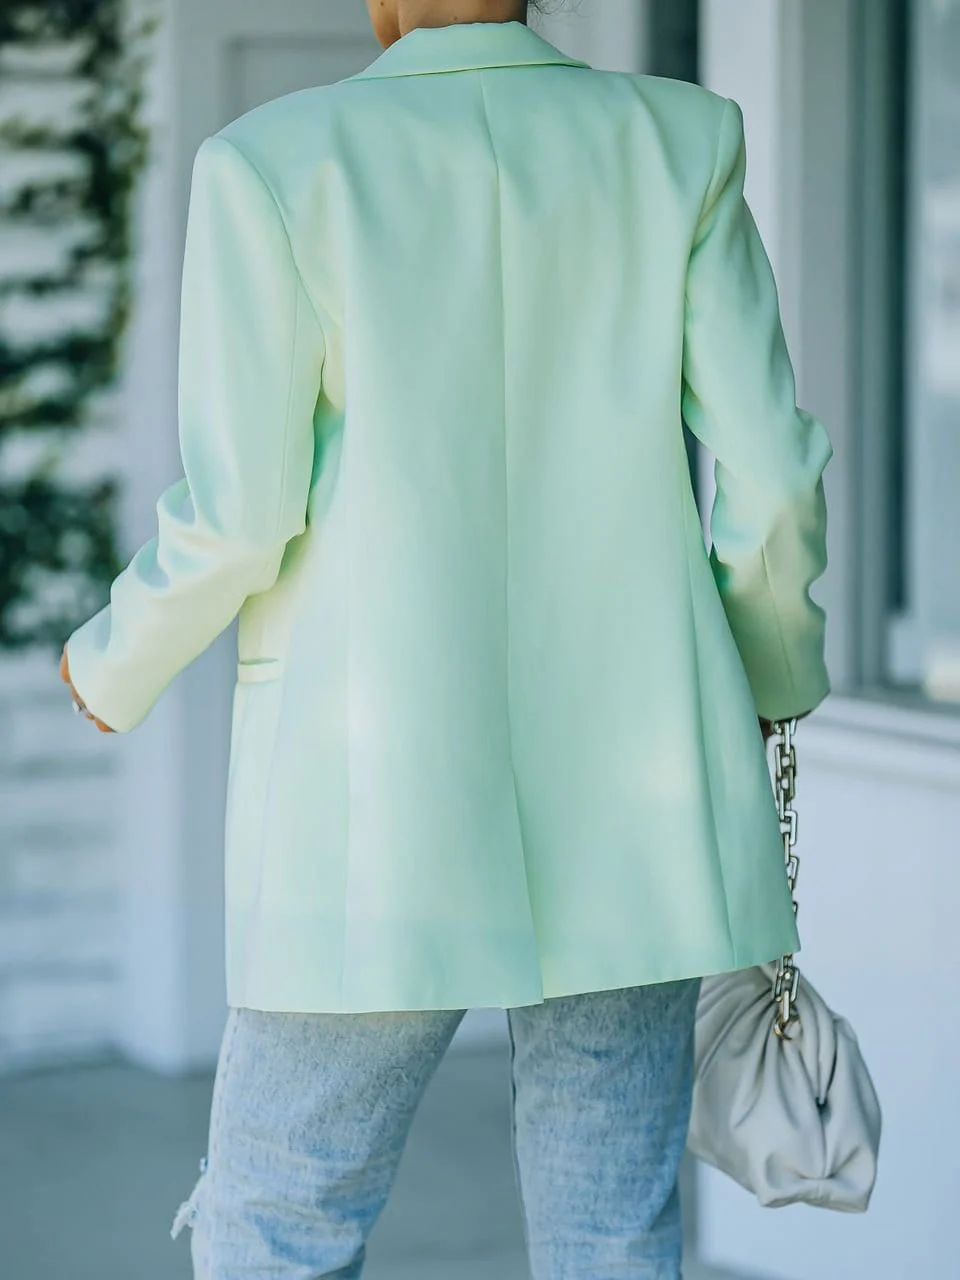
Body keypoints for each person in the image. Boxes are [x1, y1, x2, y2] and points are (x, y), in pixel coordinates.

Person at [60, 0, 832, 1275]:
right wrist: (773, 671)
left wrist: (112, 659)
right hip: (638, 788)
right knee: (612, 1230)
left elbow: (242, 514)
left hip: (369, 803)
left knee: (280, 1213)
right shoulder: (677, 142)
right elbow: (776, 478)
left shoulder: (274, 165)